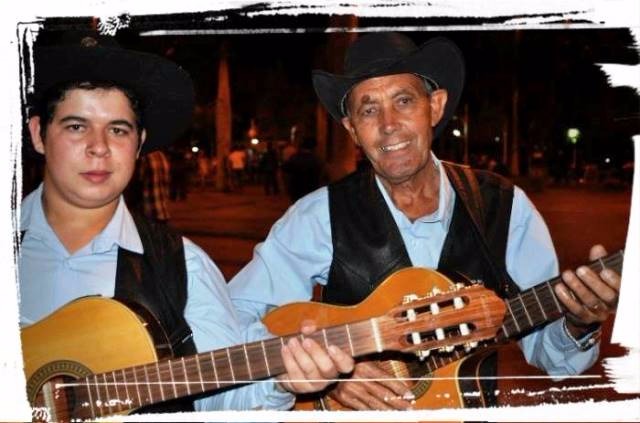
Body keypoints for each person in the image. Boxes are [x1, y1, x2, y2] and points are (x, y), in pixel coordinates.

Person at [228, 32, 621, 411]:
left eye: (403, 101)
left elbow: (554, 359)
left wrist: (578, 322)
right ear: (352, 129)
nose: (388, 124)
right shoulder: (316, 217)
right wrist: (325, 370)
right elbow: (235, 323)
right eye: (368, 109)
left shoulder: (505, 208)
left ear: (434, 106)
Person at [19, 32, 353, 415]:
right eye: (76, 126)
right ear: (38, 134)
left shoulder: (183, 268)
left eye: (118, 129)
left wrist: (283, 381)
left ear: (139, 143)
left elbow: (228, 398)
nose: (99, 146)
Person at [281, 136, 324, 202]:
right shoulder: (315, 159)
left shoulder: (294, 158)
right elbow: (321, 174)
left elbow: (286, 169)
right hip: (311, 189)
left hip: (296, 188)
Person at [138, 148, 172, 224]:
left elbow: (135, 186)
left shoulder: (142, 157)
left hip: (146, 212)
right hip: (162, 211)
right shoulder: (161, 156)